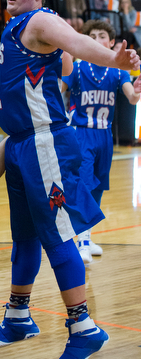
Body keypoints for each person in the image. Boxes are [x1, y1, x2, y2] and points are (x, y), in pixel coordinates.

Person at [0, 0, 139, 359]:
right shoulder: (17, 27)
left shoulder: (42, 20)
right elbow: (63, 64)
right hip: (19, 144)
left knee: (58, 235)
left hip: (45, 141)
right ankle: (17, 318)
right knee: (24, 234)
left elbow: (76, 42)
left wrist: (113, 58)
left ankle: (84, 327)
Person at [62, 20, 141, 263]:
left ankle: (87, 234)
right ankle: (82, 240)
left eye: (102, 36)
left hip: (105, 137)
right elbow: (57, 90)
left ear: (112, 43)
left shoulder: (118, 72)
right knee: (84, 185)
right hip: (82, 133)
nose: (97, 40)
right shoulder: (77, 68)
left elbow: (132, 98)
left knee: (97, 188)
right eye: (92, 37)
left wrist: (137, 91)